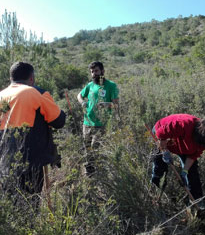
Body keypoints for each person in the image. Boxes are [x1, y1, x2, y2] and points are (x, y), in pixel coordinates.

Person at [0, 61, 66, 194]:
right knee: (31, 201)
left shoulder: (1, 95)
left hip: (4, 159)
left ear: (11, 78)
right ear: (31, 78)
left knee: (10, 200)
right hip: (31, 159)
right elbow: (58, 121)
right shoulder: (36, 92)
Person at [151, 113, 205, 202]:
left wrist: (184, 171)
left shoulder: (204, 141)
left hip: (183, 146)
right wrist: (165, 151)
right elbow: (160, 133)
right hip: (162, 137)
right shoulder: (184, 124)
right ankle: (153, 195)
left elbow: (193, 155)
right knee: (160, 168)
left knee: (192, 172)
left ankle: (197, 202)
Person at [77, 61, 119, 175]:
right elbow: (79, 95)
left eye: (96, 71)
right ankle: (89, 172)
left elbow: (116, 105)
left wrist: (107, 104)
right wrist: (82, 103)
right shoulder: (90, 85)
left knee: (95, 148)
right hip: (87, 122)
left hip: (101, 124)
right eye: (92, 72)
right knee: (87, 149)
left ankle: (100, 172)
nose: (94, 74)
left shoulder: (111, 86)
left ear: (102, 71)